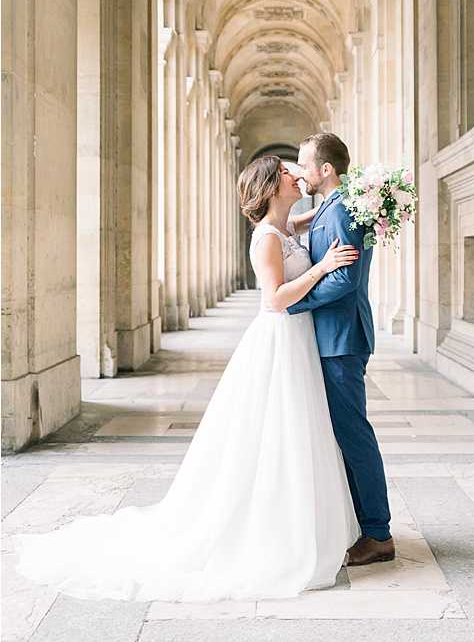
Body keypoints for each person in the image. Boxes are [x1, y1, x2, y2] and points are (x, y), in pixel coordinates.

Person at [12, 156, 362, 602]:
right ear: (273, 187)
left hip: (299, 343)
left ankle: (297, 521)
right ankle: (269, 528)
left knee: (296, 432)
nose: (297, 176)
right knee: (275, 431)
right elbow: (274, 300)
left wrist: (355, 199)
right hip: (279, 338)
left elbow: (323, 209)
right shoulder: (267, 238)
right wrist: (324, 266)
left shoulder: (289, 226)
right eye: (288, 173)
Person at [288, 133, 394, 566]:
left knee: (353, 434)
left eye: (305, 165)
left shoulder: (343, 209)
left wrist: (296, 300)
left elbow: (344, 279)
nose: (301, 173)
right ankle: (361, 523)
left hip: (341, 339)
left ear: (325, 169)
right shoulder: (335, 205)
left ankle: (378, 533)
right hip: (335, 336)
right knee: (342, 433)